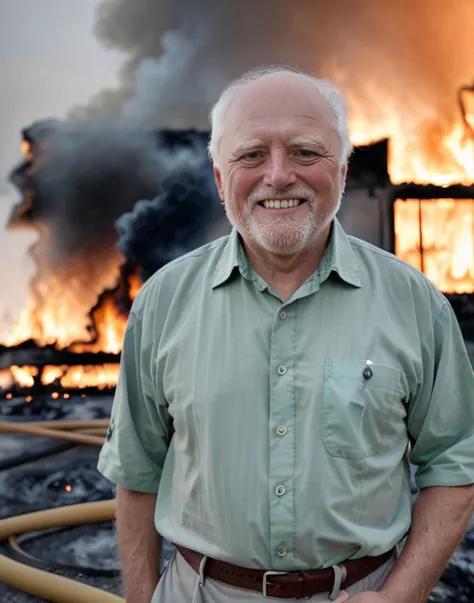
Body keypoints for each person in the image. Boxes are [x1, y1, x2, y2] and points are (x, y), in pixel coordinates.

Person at [97, 65, 474, 603]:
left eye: (305, 152)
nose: (278, 176)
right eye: (251, 155)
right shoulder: (162, 304)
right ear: (221, 177)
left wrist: (401, 595)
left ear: (342, 170)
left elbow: (457, 461)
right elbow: (135, 473)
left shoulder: (416, 306)